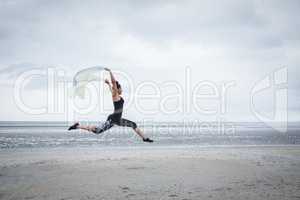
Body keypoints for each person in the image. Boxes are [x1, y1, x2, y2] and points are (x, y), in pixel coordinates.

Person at [68, 68, 153, 143]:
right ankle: (77, 126)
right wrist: (110, 72)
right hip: (113, 119)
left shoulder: (116, 95)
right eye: (121, 88)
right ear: (118, 88)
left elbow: (111, 88)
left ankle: (144, 138)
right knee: (98, 131)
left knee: (133, 125)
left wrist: (108, 84)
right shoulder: (115, 94)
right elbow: (114, 84)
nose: (122, 90)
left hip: (117, 119)